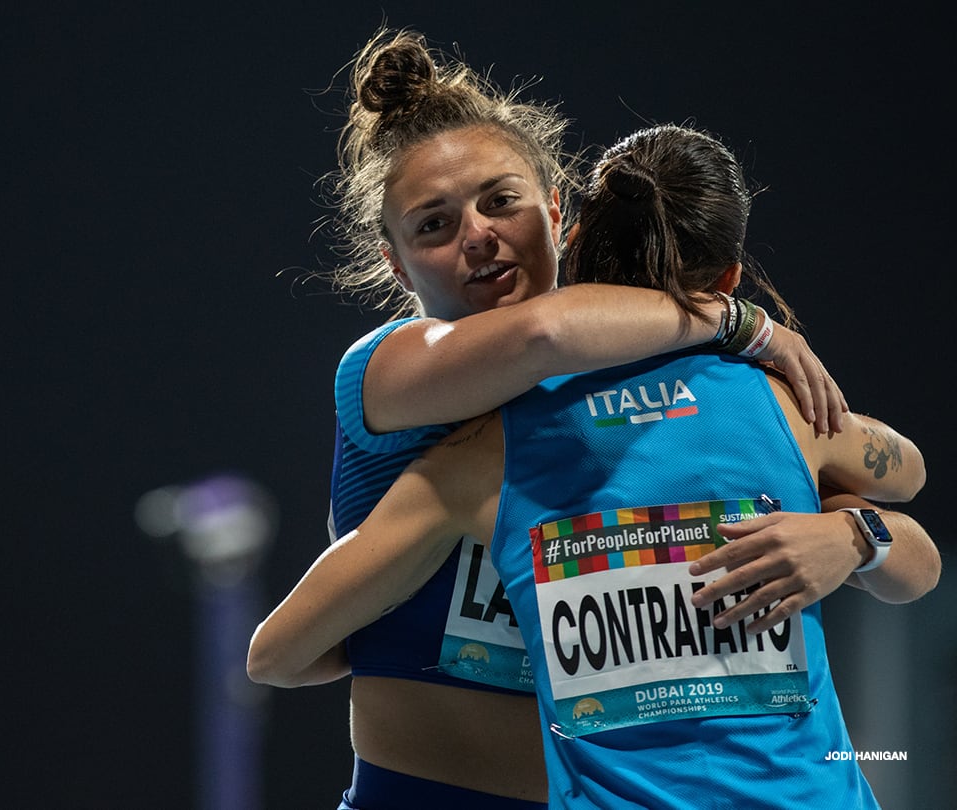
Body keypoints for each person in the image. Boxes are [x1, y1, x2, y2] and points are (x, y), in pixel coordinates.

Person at [251, 26, 930, 808]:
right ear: (394, 260)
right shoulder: (390, 367)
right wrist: (742, 322)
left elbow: (902, 478)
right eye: (433, 225)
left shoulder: (663, 388)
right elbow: (546, 333)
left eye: (499, 202)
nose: (477, 236)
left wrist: (853, 533)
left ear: (555, 210)